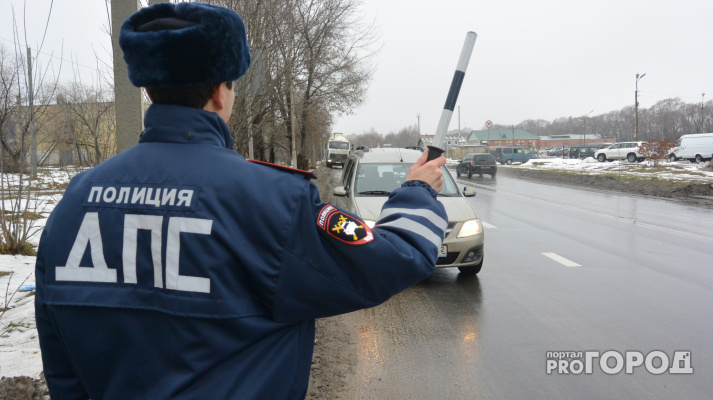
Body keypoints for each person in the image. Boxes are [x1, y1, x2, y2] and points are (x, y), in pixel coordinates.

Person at [35, 2, 447, 399]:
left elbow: (62, 366)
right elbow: (393, 260)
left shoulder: (74, 204)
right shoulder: (274, 202)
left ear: (148, 87)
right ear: (220, 92)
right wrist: (418, 190)